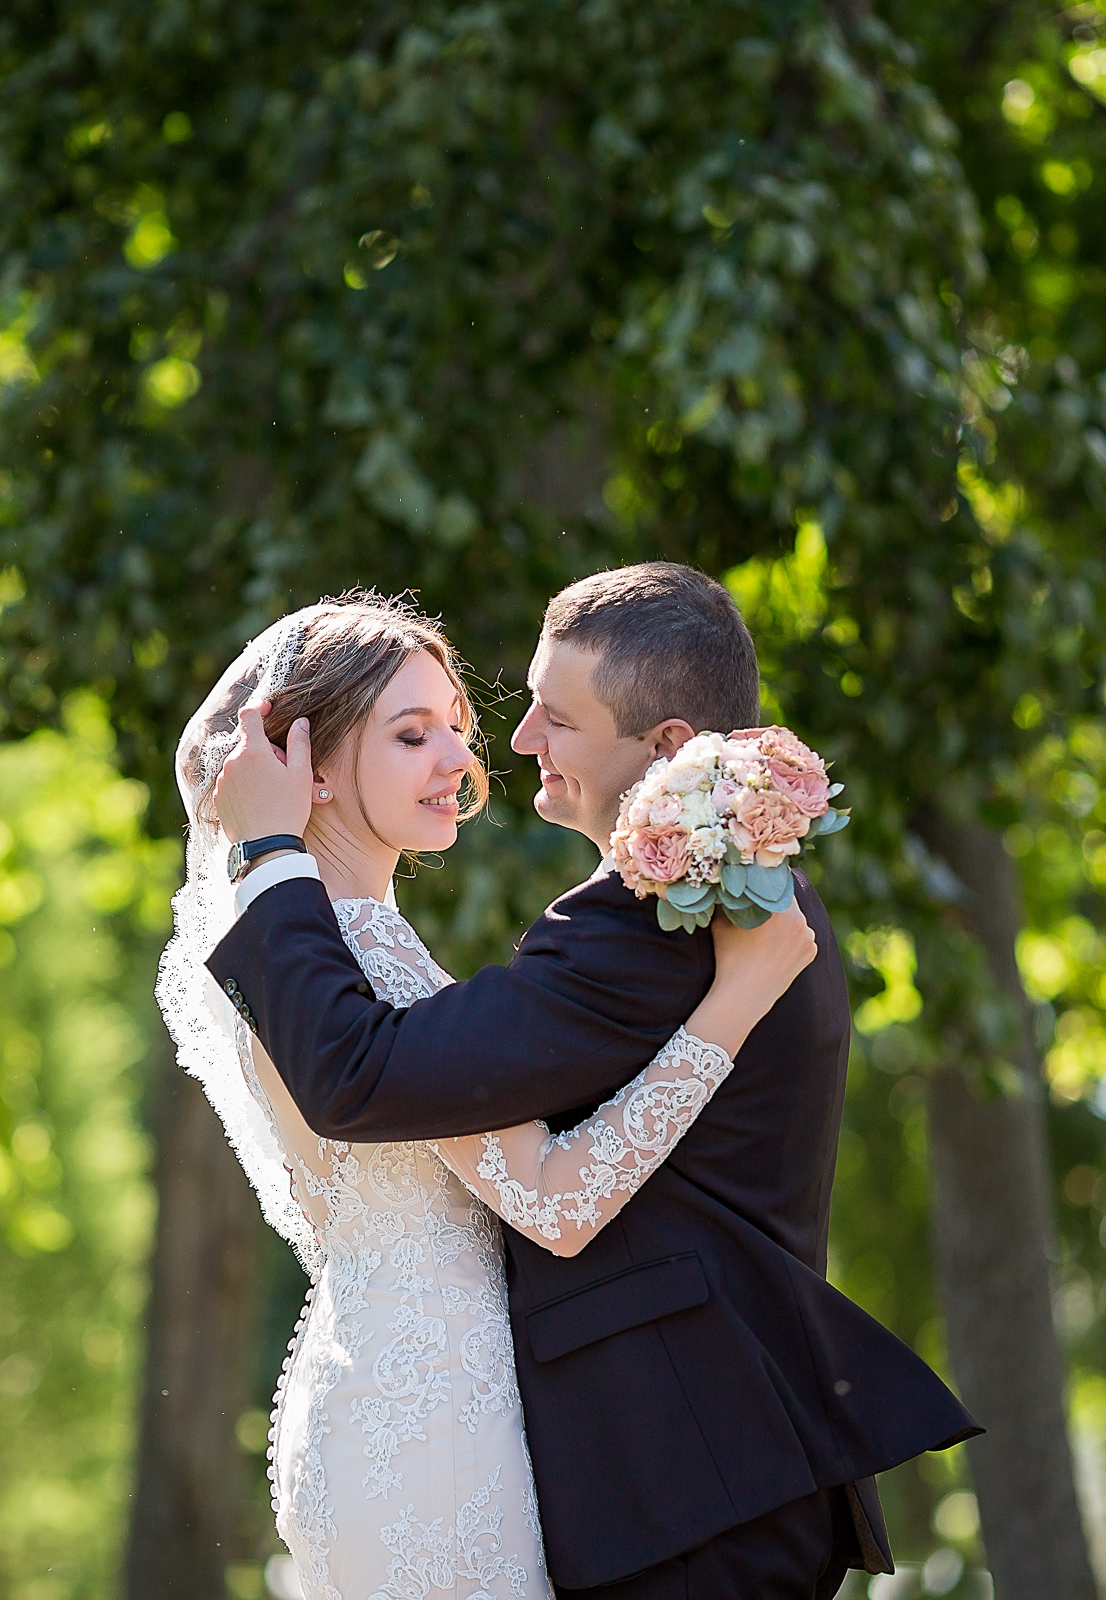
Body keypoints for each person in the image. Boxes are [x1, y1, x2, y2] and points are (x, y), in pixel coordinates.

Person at [202, 566, 979, 1598]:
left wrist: (267, 850)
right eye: (414, 730)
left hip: (683, 1478)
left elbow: (364, 1073)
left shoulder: (658, 913)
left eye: (553, 717)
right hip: (635, 1466)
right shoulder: (722, 904)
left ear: (661, 748)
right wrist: (729, 1005)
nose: (510, 745)